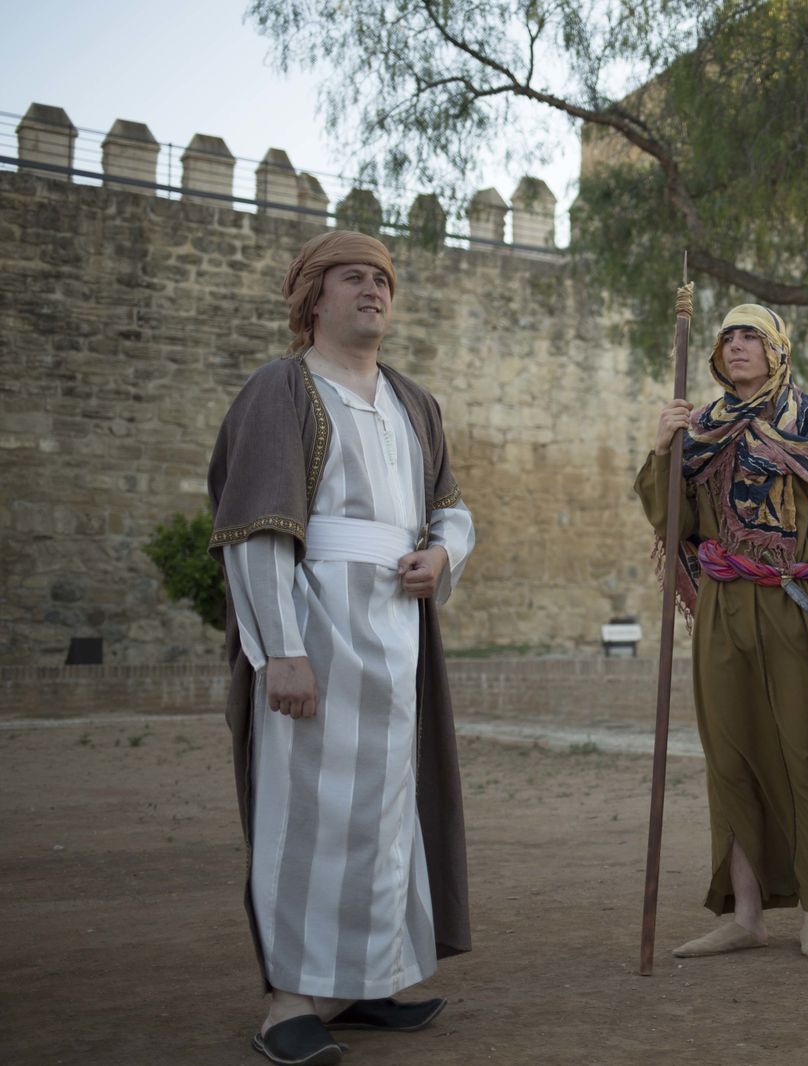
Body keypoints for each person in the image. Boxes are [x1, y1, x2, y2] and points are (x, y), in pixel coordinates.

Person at [208, 231, 476, 1065]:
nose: (373, 291)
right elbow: (255, 534)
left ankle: (362, 979)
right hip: (314, 628)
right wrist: (279, 650)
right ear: (312, 299)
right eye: (353, 278)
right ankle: (290, 1000)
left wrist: (441, 554)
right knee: (310, 816)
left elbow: (453, 511)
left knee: (386, 815)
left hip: (397, 641)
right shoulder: (279, 392)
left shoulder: (412, 401)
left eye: (383, 280)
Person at [636, 303, 808, 963]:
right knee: (732, 756)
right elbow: (677, 521)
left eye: (752, 336)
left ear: (778, 350)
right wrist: (663, 450)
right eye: (728, 338)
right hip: (723, 606)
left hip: (793, 604)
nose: (738, 346)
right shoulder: (702, 429)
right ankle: (746, 916)